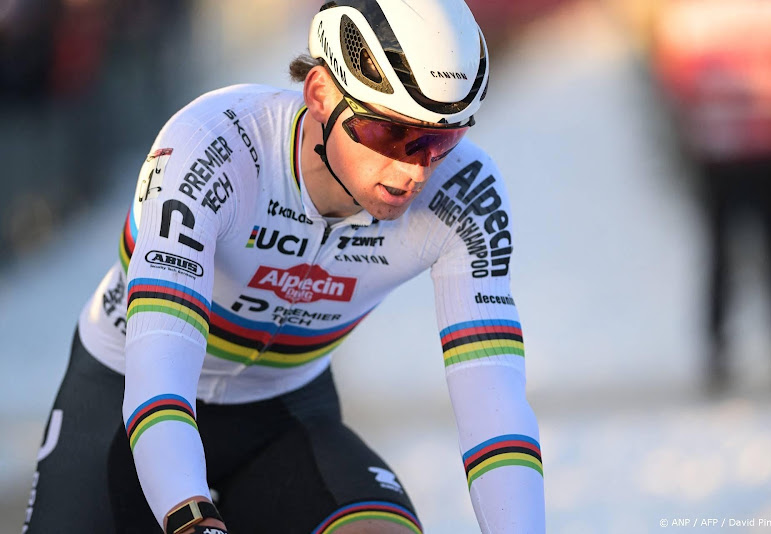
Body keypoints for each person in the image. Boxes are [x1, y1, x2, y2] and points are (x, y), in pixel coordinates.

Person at [22, 0, 545, 532]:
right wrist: (190, 515)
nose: (415, 169)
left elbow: (493, 408)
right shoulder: (213, 147)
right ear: (321, 94)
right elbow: (159, 369)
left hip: (283, 411)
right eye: (389, 132)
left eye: (440, 139)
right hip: (126, 388)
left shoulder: (464, 195)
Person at [651, 0, 771, 391]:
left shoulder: (690, 19)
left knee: (726, 252)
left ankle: (720, 347)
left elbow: (675, 84)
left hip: (723, 147)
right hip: (766, 143)